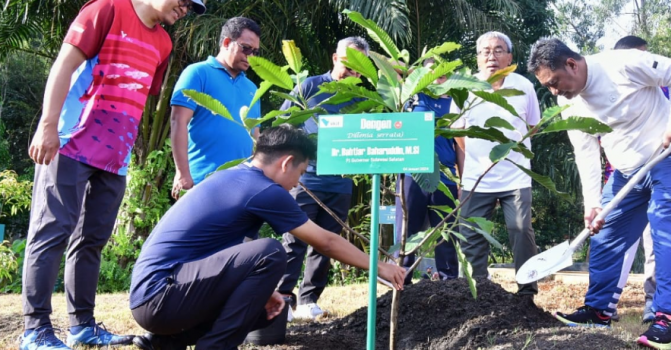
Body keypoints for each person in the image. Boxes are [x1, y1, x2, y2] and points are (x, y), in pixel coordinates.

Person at [20, 0, 205, 348]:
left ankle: (82, 327)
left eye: (191, 6)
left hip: (115, 159)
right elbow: (64, 65)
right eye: (183, 0)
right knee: (51, 232)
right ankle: (36, 330)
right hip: (70, 142)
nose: (185, 8)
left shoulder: (164, 42)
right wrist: (47, 126)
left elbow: (134, 95)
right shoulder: (106, 9)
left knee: (91, 241)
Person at [129, 125, 405, 349]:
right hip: (162, 296)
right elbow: (326, 241)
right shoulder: (264, 190)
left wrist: (262, 289)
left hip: (152, 299)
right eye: (300, 172)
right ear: (286, 163)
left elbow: (232, 250)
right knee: (272, 252)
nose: (298, 183)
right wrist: (381, 267)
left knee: (262, 311)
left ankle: (167, 343)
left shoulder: (234, 177)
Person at [529, 38, 671, 349]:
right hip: (626, 171)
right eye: (548, 87)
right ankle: (598, 311)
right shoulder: (568, 101)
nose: (555, 92)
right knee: (605, 233)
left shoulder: (621, 63)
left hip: (669, 153)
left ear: (572, 64)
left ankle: (667, 320)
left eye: (555, 83)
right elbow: (585, 151)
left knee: (666, 228)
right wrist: (592, 204)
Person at [561, 35, 666, 324]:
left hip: (660, 171)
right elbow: (590, 150)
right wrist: (592, 202)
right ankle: (604, 305)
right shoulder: (602, 85)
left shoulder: (660, 86)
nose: (641, 62)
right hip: (621, 177)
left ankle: (656, 305)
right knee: (615, 243)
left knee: (657, 241)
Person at [276, 36, 370, 320]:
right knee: (294, 240)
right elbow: (284, 124)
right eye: (348, 61)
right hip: (304, 180)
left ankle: (308, 299)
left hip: (340, 182)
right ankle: (283, 299)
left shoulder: (362, 97)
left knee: (326, 242)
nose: (353, 69)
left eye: (360, 64)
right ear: (334, 57)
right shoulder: (309, 86)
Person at [450, 31, 541, 297]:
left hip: (516, 177)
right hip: (477, 177)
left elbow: (532, 127)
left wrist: (509, 153)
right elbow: (459, 132)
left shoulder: (524, 85)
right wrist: (480, 160)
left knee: (521, 230)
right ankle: (476, 291)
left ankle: (527, 291)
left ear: (510, 57)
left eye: (499, 50)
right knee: (471, 236)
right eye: (485, 51)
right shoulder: (465, 86)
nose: (492, 56)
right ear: (477, 58)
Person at [170, 17, 261, 200]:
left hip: (241, 185)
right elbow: (178, 121)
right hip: (201, 182)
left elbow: (255, 135)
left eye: (256, 52)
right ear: (227, 42)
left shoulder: (252, 88)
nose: (251, 56)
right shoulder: (197, 73)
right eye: (246, 48)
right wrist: (182, 173)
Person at [395, 58, 460, 285]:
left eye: (444, 72)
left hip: (446, 177)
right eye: (434, 72)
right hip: (412, 176)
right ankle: (401, 283)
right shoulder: (412, 97)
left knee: (446, 235)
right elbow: (389, 67)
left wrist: (461, 178)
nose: (439, 76)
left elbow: (460, 144)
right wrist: (419, 74)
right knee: (406, 234)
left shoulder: (456, 103)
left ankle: (449, 282)